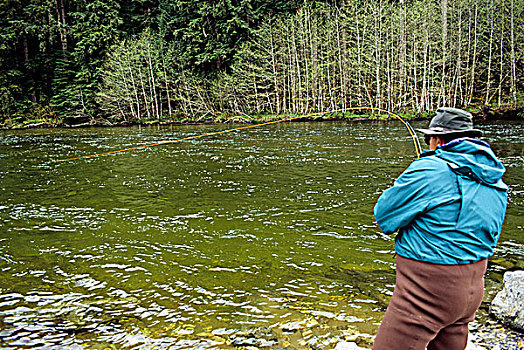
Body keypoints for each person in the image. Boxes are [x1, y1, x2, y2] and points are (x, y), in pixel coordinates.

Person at [372, 107, 508, 350]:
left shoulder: (429, 170)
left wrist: (415, 174)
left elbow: (385, 216)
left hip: (424, 292)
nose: (428, 143)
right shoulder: (494, 177)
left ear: (439, 139)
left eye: (429, 138)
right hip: (472, 288)